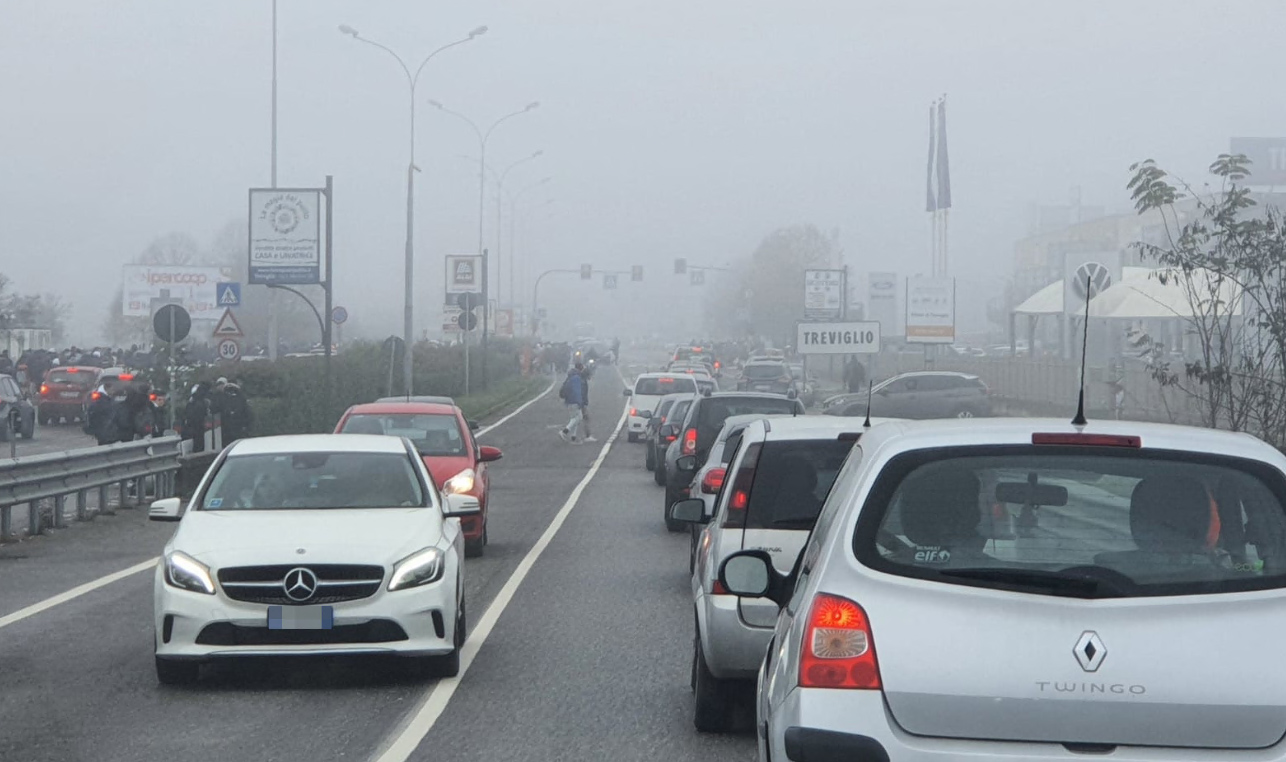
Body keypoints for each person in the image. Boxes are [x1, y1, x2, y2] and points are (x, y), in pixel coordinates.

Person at [214, 377, 253, 445]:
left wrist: (245, 426)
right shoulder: (223, 399)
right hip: (228, 430)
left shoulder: (240, 398)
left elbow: (247, 413)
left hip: (237, 429)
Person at [558, 364, 586, 443]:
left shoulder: (570, 377)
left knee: (575, 418)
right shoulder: (577, 378)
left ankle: (574, 436)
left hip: (568, 401)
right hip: (574, 401)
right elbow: (577, 391)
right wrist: (579, 401)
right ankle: (565, 431)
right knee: (578, 418)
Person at [183, 382, 213, 453]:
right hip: (199, 426)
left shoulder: (192, 402)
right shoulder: (202, 401)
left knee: (196, 444)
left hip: (193, 427)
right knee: (199, 443)